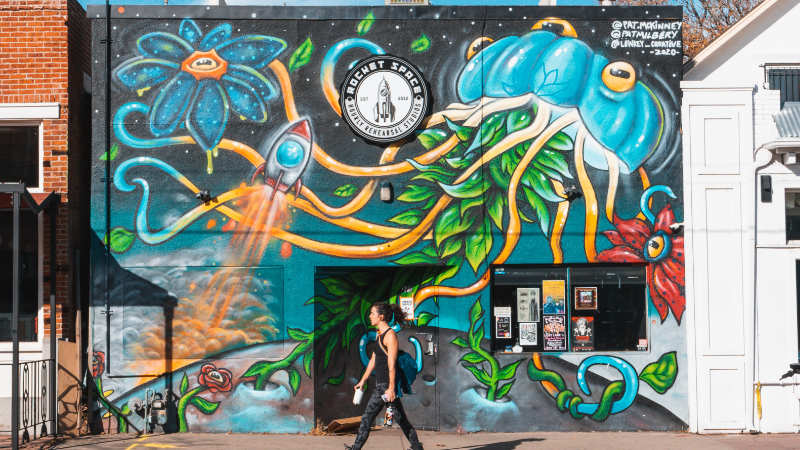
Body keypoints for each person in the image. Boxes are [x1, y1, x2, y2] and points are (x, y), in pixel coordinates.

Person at [346, 303, 423, 450]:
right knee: (401, 420)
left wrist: (392, 388)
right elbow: (373, 359)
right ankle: (417, 447)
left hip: (386, 387)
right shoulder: (379, 334)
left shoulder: (390, 336)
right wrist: (363, 380)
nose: (370, 316)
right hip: (382, 385)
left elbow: (392, 365)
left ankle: (355, 448)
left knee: (367, 418)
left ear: (381, 316)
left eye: (372, 313)